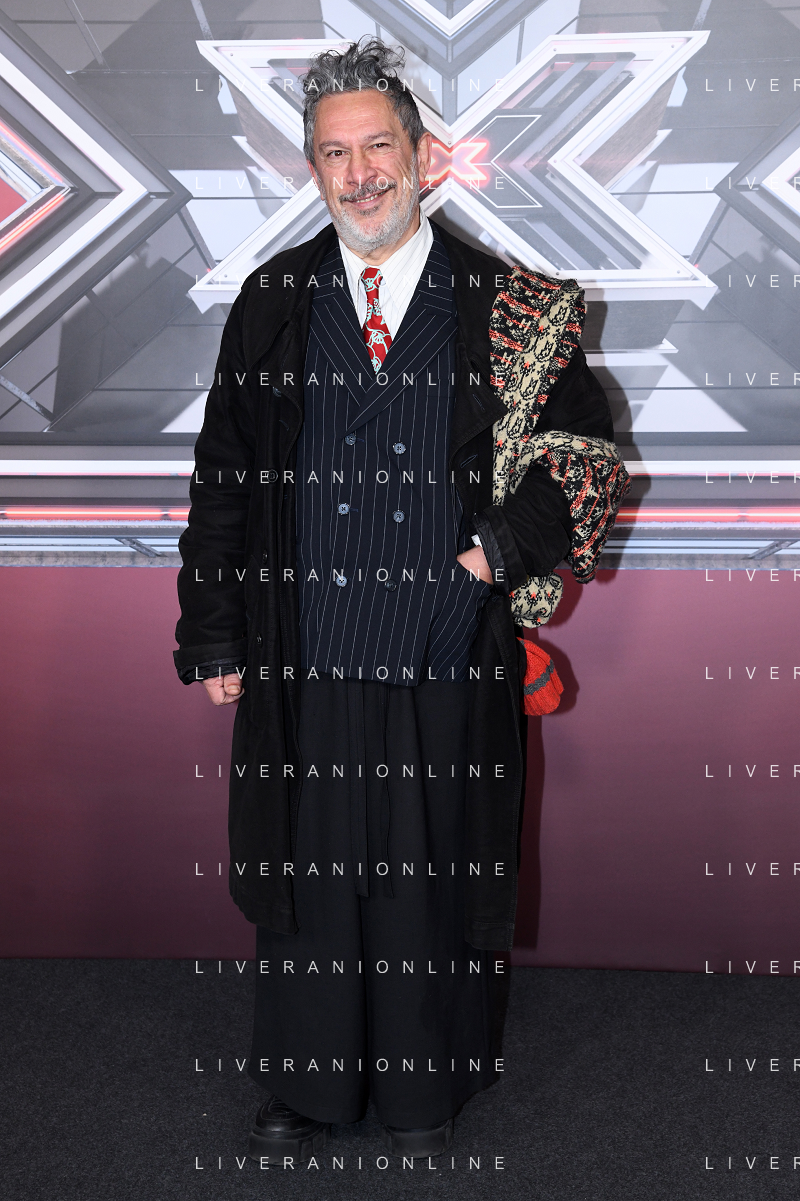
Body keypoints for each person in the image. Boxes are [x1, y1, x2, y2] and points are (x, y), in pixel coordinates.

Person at [173, 37, 615, 1162]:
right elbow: (223, 477)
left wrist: (486, 558)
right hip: (306, 642)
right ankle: (309, 1082)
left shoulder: (511, 307)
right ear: (312, 169)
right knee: (313, 876)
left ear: (422, 157)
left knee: (427, 878)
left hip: (443, 644)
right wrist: (213, 632)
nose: (360, 173)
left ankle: (425, 1088)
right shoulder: (271, 303)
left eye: (379, 147)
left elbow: (581, 462)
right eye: (335, 153)